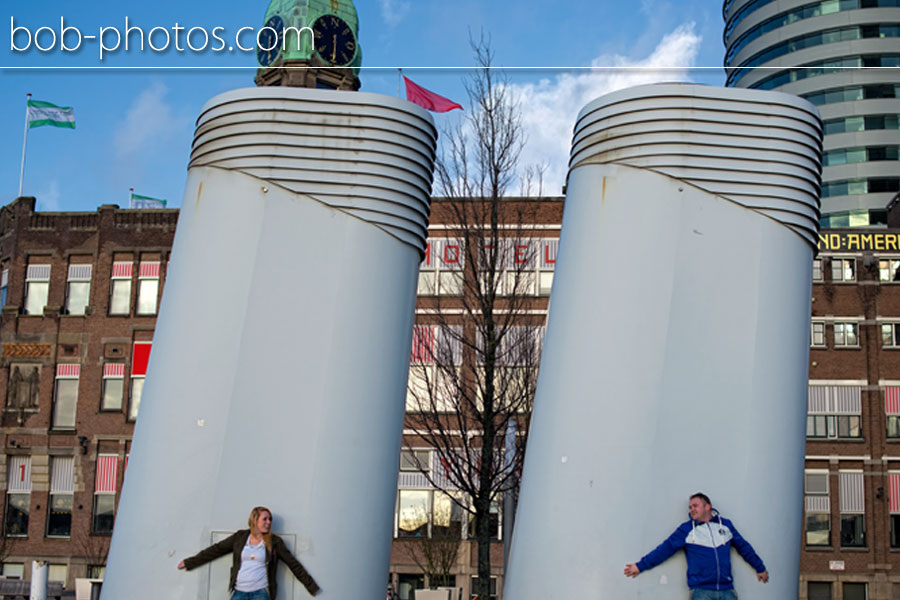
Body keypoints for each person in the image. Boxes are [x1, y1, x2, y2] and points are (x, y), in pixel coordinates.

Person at [623, 493, 768, 599]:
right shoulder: (686, 529)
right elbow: (664, 550)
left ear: (707, 506)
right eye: (690, 507)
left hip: (727, 591)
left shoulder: (726, 525)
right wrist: (640, 566)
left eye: (695, 506)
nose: (691, 509)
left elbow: (744, 547)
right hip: (701, 592)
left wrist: (760, 567)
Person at [178, 506, 320, 599]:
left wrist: (311, 586)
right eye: (265, 519)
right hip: (239, 592)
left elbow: (293, 563)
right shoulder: (240, 537)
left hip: (260, 593)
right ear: (254, 520)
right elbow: (216, 550)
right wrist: (190, 562)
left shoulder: (274, 542)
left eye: (270, 519)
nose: (269, 522)